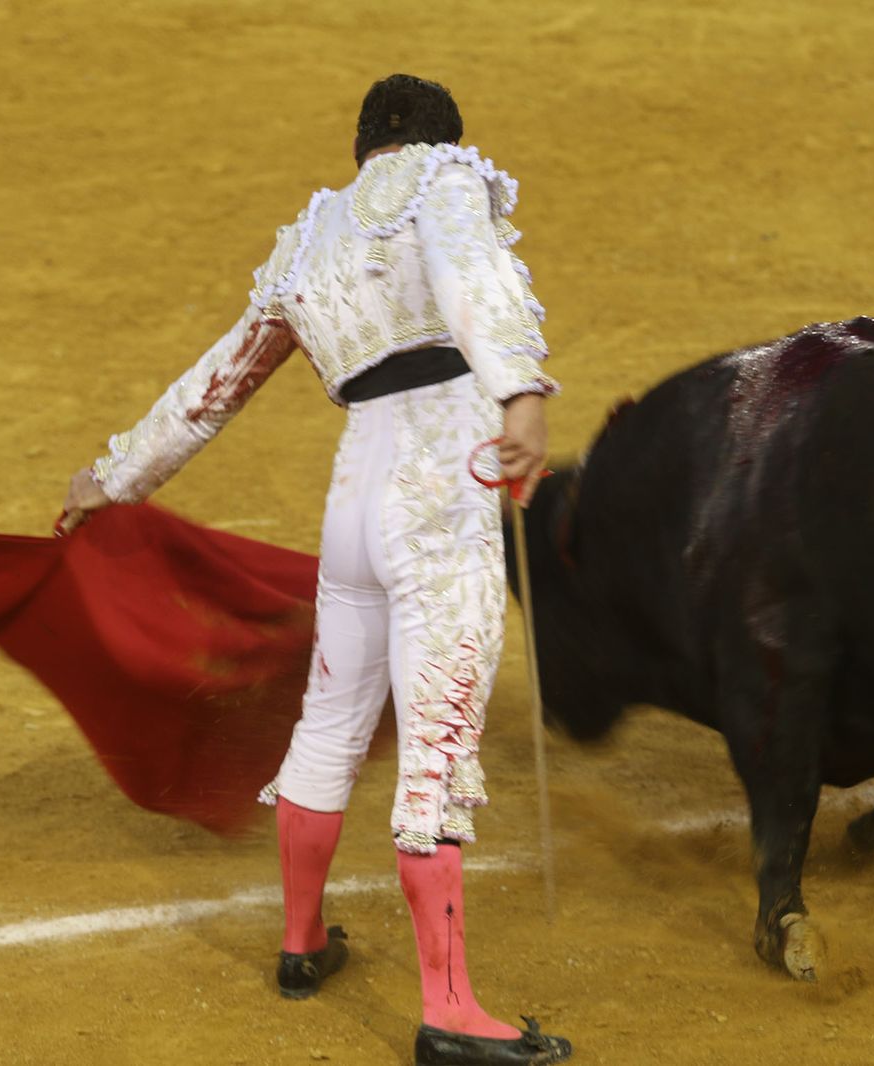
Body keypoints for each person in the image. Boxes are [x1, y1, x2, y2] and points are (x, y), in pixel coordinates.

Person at [58, 74, 572, 1066]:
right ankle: (451, 1010)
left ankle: (300, 943)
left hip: (356, 492)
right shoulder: (447, 180)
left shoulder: (311, 241)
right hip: (441, 482)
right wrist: (520, 392)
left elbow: (217, 384)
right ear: (439, 139)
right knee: (435, 737)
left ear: (360, 150)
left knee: (331, 717)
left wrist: (114, 477)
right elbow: (473, 273)